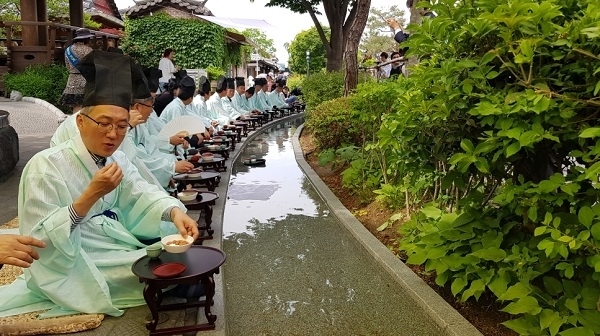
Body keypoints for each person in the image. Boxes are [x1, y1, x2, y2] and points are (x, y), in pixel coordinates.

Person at [0, 51, 199, 319]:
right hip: (67, 257)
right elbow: (38, 239)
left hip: (108, 240)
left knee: (164, 248)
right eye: (104, 123)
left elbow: (140, 192)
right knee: (144, 268)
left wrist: (173, 212)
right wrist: (90, 196)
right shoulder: (45, 166)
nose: (112, 134)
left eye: (121, 126)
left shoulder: (115, 159)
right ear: (80, 122)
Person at [58, 28, 95, 113]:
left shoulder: (68, 50)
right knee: (85, 105)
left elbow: (67, 66)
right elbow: (93, 66)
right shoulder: (88, 50)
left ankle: (74, 123)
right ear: (86, 39)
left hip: (72, 79)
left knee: (76, 105)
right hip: (85, 79)